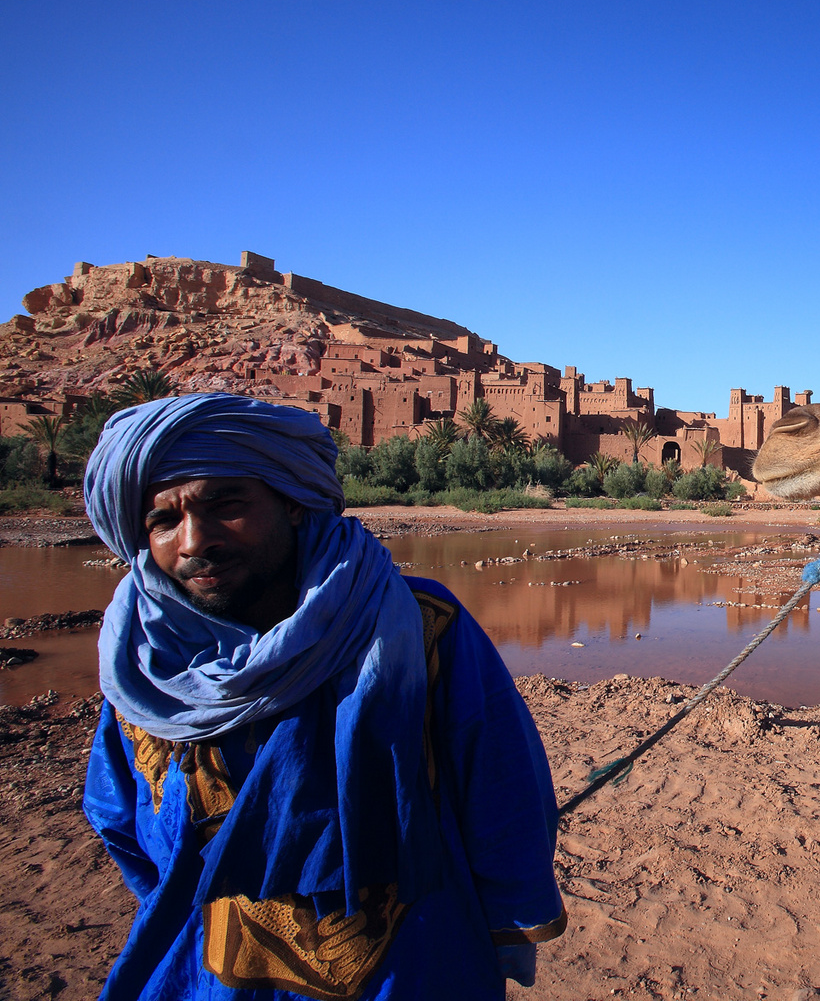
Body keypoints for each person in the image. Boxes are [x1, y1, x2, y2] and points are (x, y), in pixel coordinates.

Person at [80, 393, 565, 1000]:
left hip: (408, 971)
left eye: (225, 505)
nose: (193, 541)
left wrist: (508, 926)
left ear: (291, 502)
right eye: (163, 520)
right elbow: (118, 813)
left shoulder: (415, 623)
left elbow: (502, 789)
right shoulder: (146, 663)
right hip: (205, 976)